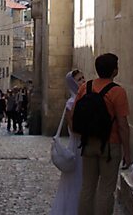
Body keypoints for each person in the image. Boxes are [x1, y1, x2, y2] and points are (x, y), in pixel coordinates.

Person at [75, 53, 131, 215]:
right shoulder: (118, 92)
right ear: (115, 71)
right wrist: (127, 152)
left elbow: (74, 115)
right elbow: (122, 125)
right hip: (110, 145)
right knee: (106, 189)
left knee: (87, 187)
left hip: (88, 143)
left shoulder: (85, 87)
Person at [50, 69, 86, 215]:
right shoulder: (72, 102)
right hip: (77, 146)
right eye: (79, 80)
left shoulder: (84, 99)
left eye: (83, 78)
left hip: (83, 145)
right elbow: (73, 128)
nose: (83, 81)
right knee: (76, 180)